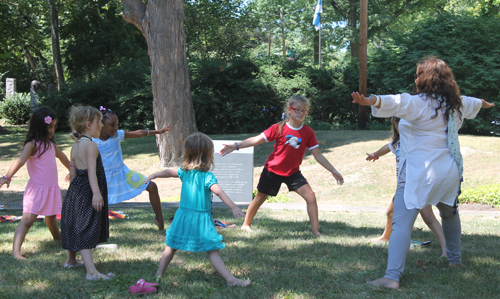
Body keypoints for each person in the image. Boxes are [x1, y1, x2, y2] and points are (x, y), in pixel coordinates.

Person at [351, 57, 495, 289]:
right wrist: (484, 104)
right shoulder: (456, 102)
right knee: (449, 213)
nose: (415, 78)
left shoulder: (419, 103)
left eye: (417, 74)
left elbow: (397, 102)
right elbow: (474, 102)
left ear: (424, 78)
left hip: (419, 173)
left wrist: (371, 101)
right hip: (449, 172)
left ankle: (391, 277)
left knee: (401, 223)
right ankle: (455, 261)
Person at [219, 95, 344, 236]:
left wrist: (333, 170)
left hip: (293, 173)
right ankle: (246, 224)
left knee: (310, 196)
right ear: (289, 110)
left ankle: (316, 232)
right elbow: (256, 139)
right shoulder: (278, 128)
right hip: (272, 170)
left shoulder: (308, 132)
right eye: (298, 110)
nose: (301, 113)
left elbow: (318, 154)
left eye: (304, 111)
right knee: (260, 197)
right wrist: (236, 146)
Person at [146, 133, 250, 287]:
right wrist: (233, 207)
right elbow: (219, 192)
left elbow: (169, 172)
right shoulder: (207, 176)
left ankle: (158, 276)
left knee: (172, 246)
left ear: (188, 153)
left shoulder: (184, 171)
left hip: (183, 216)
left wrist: (155, 174)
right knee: (213, 250)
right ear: (207, 155)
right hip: (201, 219)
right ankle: (231, 280)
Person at [366, 117, 447, 258]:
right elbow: (387, 147)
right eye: (397, 125)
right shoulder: (397, 143)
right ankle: (386, 236)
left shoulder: (417, 141)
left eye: (403, 124)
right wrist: (375, 155)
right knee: (390, 212)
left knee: (428, 218)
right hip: (404, 186)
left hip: (418, 185)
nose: (400, 128)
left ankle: (447, 250)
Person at [0, 107, 71, 260]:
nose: (52, 130)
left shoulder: (51, 144)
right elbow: (20, 160)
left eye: (54, 127)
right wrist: (7, 176)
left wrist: (72, 168)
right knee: (27, 220)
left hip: (51, 189)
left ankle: (58, 240)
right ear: (40, 126)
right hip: (37, 190)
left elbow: (62, 156)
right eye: (49, 126)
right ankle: (16, 252)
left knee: (51, 217)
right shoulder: (32, 145)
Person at [92, 107, 170, 230]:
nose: (115, 128)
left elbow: (138, 133)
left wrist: (157, 132)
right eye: (111, 125)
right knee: (96, 203)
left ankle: (159, 218)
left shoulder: (117, 135)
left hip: (122, 174)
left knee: (152, 186)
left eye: (117, 125)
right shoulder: (92, 140)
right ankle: (94, 228)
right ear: (101, 125)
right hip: (102, 178)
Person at [61, 106, 114, 281]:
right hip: (88, 191)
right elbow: (92, 172)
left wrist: (73, 195)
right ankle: (92, 273)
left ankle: (71, 260)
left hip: (75, 190)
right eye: (99, 122)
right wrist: (96, 194)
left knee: (75, 224)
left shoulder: (75, 145)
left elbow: (73, 172)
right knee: (85, 228)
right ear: (88, 124)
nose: (100, 126)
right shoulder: (91, 145)